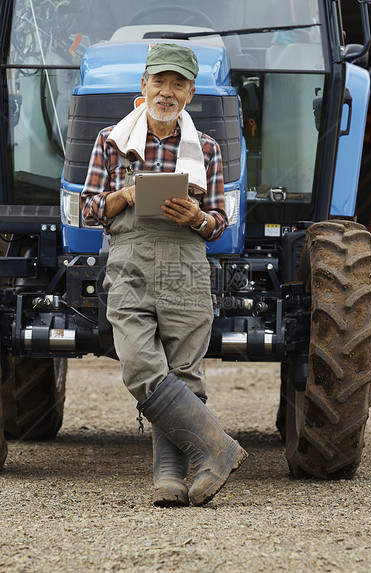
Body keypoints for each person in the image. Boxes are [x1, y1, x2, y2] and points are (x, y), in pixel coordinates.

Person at [80, 43, 247, 507]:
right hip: (128, 261)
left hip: (185, 263)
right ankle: (217, 447)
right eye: (160, 82)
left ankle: (171, 476)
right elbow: (90, 209)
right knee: (137, 361)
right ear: (144, 86)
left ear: (191, 93)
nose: (167, 92)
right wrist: (125, 195)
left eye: (178, 84)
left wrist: (195, 216)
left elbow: (219, 223)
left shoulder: (208, 150)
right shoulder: (110, 141)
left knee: (184, 372)